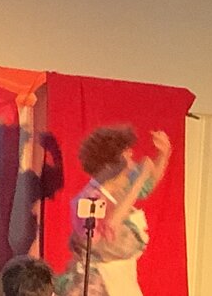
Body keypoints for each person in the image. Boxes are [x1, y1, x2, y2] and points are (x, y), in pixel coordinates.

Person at [57, 126, 171, 296]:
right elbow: (110, 227)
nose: (132, 163)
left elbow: (148, 185)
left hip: (122, 278)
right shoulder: (89, 198)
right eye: (127, 157)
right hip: (98, 283)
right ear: (111, 164)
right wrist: (139, 179)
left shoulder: (120, 187)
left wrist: (164, 154)